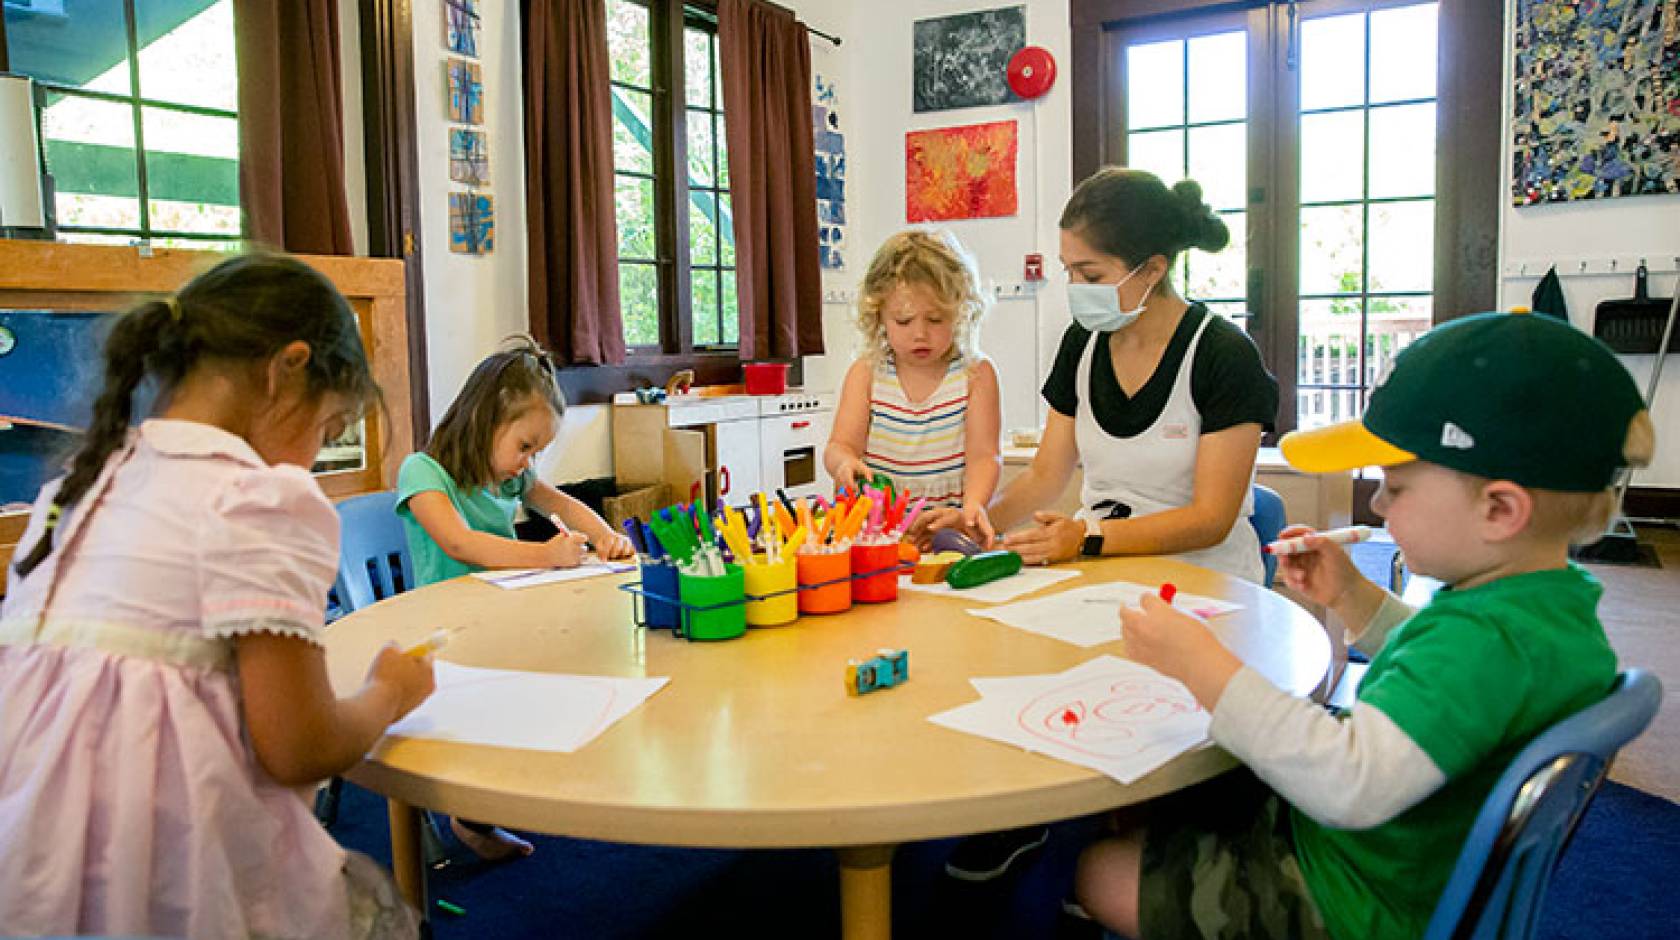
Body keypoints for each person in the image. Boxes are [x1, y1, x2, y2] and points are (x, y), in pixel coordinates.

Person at [1075, 311, 1655, 940]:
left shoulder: (1486, 644)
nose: (1377, 505)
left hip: (1351, 898)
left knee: (1096, 866)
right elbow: (1444, 673)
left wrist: (1198, 662)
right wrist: (1354, 596)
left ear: (1499, 509)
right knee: (1166, 796)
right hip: (1394, 860)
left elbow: (1346, 781)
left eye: (1395, 487)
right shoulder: (1541, 611)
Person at [0, 254, 435, 939]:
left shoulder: (73, 491)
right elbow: (299, 747)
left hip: (29, 857)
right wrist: (390, 692)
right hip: (165, 864)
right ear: (287, 367)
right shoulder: (258, 499)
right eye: (325, 433)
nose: (310, 461)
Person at [932, 168, 1277, 583]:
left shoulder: (1224, 355)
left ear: (1152, 269)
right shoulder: (1082, 344)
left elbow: (1210, 519)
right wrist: (976, 522)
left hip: (1205, 581)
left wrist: (1087, 536)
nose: (1076, 287)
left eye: (1091, 275)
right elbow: (1046, 475)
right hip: (1100, 574)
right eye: (1069, 271)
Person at [395, 336, 633, 859]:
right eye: (524, 446)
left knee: (569, 658)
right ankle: (471, 817)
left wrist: (604, 536)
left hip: (496, 620)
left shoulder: (510, 479)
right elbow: (461, 543)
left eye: (537, 452)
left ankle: (495, 800)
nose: (528, 462)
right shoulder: (423, 471)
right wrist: (545, 556)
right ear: (484, 420)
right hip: (444, 635)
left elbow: (565, 504)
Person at [824, 228, 1002, 542]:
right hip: (875, 537)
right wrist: (844, 464)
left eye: (935, 320)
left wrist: (972, 508)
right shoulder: (867, 374)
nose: (920, 334)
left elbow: (983, 456)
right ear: (878, 317)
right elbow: (840, 446)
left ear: (960, 312)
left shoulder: (976, 375)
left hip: (943, 532)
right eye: (903, 321)